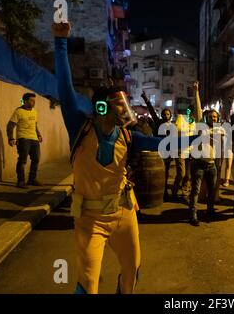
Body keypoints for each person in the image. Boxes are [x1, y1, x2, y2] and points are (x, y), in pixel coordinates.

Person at [52, 22, 192, 294]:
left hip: (124, 213)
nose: (126, 110)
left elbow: (162, 142)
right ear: (102, 107)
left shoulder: (129, 136)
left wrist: (202, 138)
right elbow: (65, 88)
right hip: (90, 219)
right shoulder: (80, 127)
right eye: (120, 104)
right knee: (88, 282)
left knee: (131, 269)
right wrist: (60, 43)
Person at [188, 82, 225, 226]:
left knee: (211, 191)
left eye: (215, 117)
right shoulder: (200, 127)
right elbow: (198, 110)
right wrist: (196, 92)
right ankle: (193, 215)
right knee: (195, 191)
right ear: (206, 118)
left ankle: (210, 211)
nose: (213, 119)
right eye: (210, 117)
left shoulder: (220, 130)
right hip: (198, 164)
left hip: (212, 166)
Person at [6, 92, 43, 188]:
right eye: (31, 100)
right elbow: (10, 125)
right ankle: (21, 181)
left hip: (34, 139)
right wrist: (10, 138)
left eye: (34, 100)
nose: (33, 102)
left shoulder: (35, 111)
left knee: (36, 159)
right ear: (25, 101)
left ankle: (32, 179)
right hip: (23, 139)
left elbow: (35, 125)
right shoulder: (18, 111)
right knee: (22, 160)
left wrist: (39, 135)